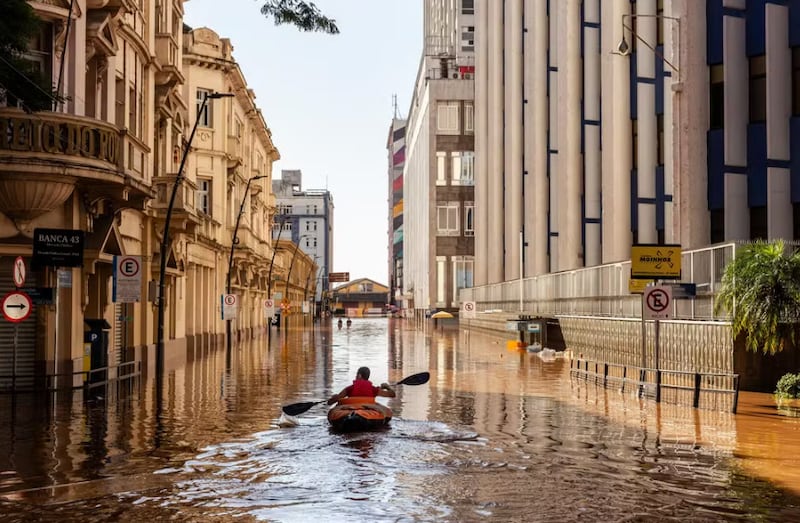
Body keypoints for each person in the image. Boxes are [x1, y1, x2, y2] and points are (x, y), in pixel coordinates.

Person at [327, 367, 395, 405]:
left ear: (359, 375)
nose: (355, 376)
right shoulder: (373, 390)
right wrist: (387, 387)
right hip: (367, 412)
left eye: (356, 374)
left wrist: (334, 397)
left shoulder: (350, 389)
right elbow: (392, 394)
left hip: (351, 411)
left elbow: (331, 402)